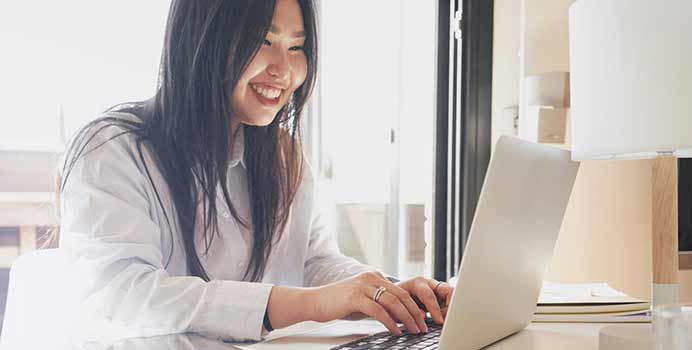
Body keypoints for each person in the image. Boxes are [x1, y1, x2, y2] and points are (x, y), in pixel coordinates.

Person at [57, 0, 453, 342]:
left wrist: (392, 293)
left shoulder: (284, 155)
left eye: (297, 47)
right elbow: (123, 293)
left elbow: (313, 261)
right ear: (203, 36)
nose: (284, 70)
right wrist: (312, 304)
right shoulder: (112, 150)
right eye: (264, 41)